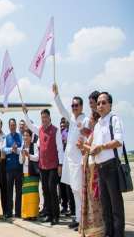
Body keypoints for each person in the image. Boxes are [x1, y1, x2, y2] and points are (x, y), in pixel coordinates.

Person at [78, 92, 125, 237]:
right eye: (98, 103)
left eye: (104, 102)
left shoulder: (114, 120)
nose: (100, 105)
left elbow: (118, 141)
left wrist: (102, 147)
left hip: (111, 166)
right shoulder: (98, 125)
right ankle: (108, 234)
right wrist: (84, 147)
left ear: (110, 105)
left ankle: (118, 234)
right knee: (105, 206)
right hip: (100, 169)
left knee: (115, 206)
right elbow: (94, 149)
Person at [53, 84, 89, 231]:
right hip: (70, 161)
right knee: (74, 190)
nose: (74, 107)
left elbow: (88, 136)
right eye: (72, 105)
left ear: (81, 106)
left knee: (80, 190)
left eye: (76, 105)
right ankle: (78, 218)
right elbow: (61, 109)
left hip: (79, 161)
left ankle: (84, 220)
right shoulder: (72, 118)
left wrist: (83, 130)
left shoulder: (85, 119)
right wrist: (56, 95)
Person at [23, 107, 63, 225]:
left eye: (45, 117)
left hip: (53, 166)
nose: (44, 119)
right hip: (42, 166)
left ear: (49, 117)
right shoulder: (39, 130)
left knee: (52, 190)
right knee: (45, 191)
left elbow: (60, 149)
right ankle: (49, 214)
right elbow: (30, 126)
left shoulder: (55, 130)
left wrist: (60, 164)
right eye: (42, 118)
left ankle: (56, 216)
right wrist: (25, 114)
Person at [79, 90, 104, 237]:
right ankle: (90, 227)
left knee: (97, 194)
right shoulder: (91, 119)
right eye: (92, 104)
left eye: (93, 103)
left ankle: (100, 227)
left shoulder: (102, 120)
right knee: (90, 194)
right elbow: (87, 139)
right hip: (89, 159)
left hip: (98, 161)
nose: (93, 106)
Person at [3, 118, 22, 218]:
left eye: (14, 124)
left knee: (19, 191)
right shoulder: (6, 137)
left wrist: (17, 150)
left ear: (16, 125)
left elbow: (22, 148)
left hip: (19, 168)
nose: (13, 126)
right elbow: (4, 149)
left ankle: (18, 212)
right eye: (11, 125)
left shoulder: (20, 136)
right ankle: (9, 212)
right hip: (9, 168)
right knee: (9, 191)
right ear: (9, 126)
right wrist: (11, 149)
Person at [19, 129, 39, 220]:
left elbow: (37, 158)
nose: (25, 137)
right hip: (25, 173)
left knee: (33, 195)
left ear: (31, 137)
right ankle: (26, 214)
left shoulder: (34, 146)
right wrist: (23, 156)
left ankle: (33, 214)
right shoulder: (22, 147)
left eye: (27, 135)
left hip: (33, 173)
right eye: (24, 135)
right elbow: (20, 161)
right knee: (26, 195)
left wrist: (29, 155)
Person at [59, 118, 75, 217]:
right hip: (65, 162)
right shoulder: (63, 133)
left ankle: (73, 208)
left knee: (73, 188)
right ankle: (69, 207)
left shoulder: (74, 131)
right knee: (65, 188)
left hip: (73, 162)